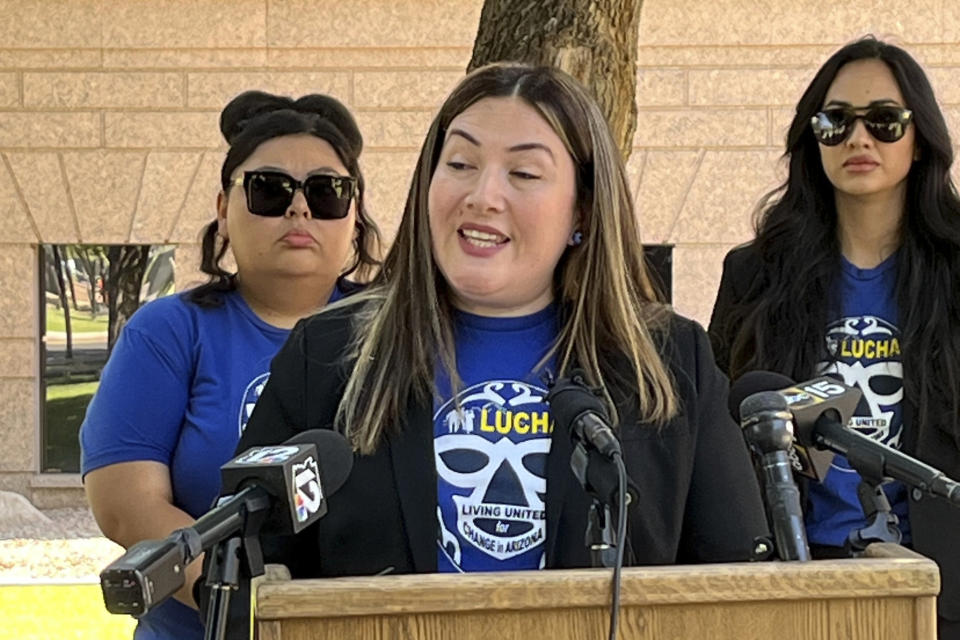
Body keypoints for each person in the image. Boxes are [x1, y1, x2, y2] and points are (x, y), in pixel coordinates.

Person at [237, 63, 768, 580]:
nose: (483, 197)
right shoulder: (327, 354)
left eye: (524, 173)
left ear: (581, 211)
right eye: (462, 164)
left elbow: (737, 581)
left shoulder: (669, 361)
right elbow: (249, 564)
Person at [80, 90, 381, 640]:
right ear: (223, 208)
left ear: (355, 215)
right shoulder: (169, 333)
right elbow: (127, 506)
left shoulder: (400, 335)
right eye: (269, 190)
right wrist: (252, 607)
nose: (299, 209)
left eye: (327, 191)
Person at [708, 37, 960, 637]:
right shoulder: (756, 273)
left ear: (919, 137)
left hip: (937, 589)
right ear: (811, 136)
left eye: (884, 121)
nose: (859, 138)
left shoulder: (954, 272)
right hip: (794, 585)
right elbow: (719, 428)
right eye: (835, 120)